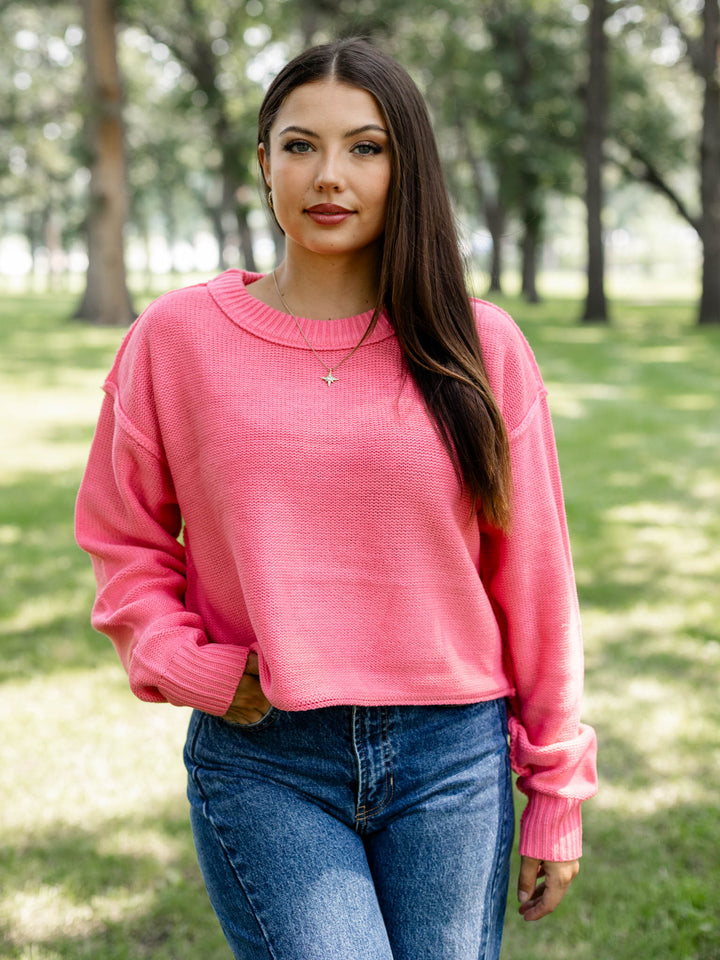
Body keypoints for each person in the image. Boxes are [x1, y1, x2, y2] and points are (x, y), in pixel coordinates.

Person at [75, 37, 597, 960]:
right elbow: (124, 544)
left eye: (366, 147)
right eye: (299, 145)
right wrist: (181, 659)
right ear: (262, 164)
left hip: (453, 760)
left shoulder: (483, 347)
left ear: (408, 167)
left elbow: (537, 580)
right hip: (266, 752)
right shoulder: (177, 339)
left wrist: (555, 789)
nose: (330, 175)